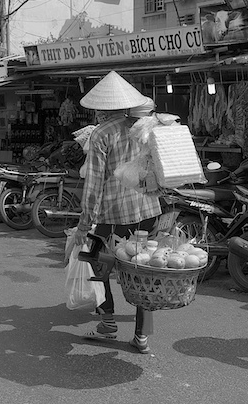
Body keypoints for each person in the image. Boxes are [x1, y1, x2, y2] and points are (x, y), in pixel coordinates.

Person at [71, 71, 161, 355]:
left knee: (98, 266)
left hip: (112, 216)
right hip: (149, 210)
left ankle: (108, 322)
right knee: (144, 270)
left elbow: (94, 186)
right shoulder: (147, 128)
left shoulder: (101, 134)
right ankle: (142, 336)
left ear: (101, 108)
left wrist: (84, 225)